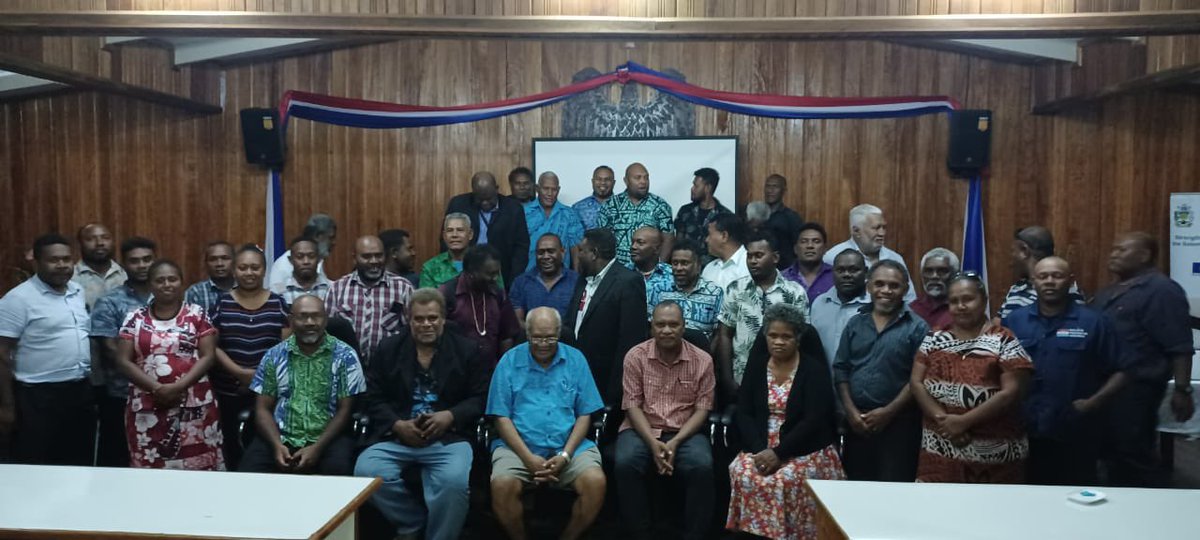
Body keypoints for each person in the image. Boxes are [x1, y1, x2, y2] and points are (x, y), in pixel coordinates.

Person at [355, 288, 487, 540]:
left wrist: (450, 416)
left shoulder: (467, 350)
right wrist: (397, 425)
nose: (426, 324)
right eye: (419, 319)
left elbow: (480, 398)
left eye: (432, 318)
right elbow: (372, 397)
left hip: (449, 436)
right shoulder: (389, 348)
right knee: (365, 471)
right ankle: (412, 523)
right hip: (398, 436)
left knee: (453, 483)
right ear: (408, 318)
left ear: (443, 319)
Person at [487, 307, 607, 540]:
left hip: (570, 444)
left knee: (595, 483)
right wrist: (528, 459)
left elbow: (585, 414)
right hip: (519, 446)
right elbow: (500, 416)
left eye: (551, 337)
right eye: (537, 337)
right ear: (527, 333)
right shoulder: (509, 361)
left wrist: (565, 456)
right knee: (501, 486)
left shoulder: (576, 359)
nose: (544, 343)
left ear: (559, 333)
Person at [1005, 257, 1127, 486]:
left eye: (1057, 276)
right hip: (1024, 428)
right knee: (1026, 496)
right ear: (1033, 282)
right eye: (1043, 276)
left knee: (1077, 496)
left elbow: (1121, 371)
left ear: (1070, 280)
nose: (1049, 282)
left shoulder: (1094, 322)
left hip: (1076, 430)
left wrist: (1094, 402)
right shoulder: (1014, 321)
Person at [727, 304, 843, 540]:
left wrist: (779, 453)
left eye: (786, 336)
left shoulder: (813, 370)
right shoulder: (758, 366)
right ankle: (754, 534)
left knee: (784, 479)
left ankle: (790, 535)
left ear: (798, 339)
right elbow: (744, 412)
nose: (779, 342)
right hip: (760, 442)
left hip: (803, 446)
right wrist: (761, 450)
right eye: (773, 336)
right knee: (741, 471)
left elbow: (814, 420)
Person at [1091, 232, 1194, 487]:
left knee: (1133, 454)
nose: (1113, 254)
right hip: (1104, 386)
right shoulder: (1111, 291)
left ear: (1145, 255)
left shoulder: (1161, 290)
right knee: (1110, 453)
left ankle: (1153, 506)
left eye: (1121, 250)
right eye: (1113, 249)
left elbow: (1179, 345)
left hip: (1137, 388)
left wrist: (1182, 389)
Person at [911, 273, 1033, 483]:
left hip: (994, 458)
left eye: (968, 299)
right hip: (940, 453)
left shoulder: (1004, 339)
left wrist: (963, 422)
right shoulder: (935, 337)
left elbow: (1011, 392)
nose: (961, 306)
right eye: (954, 301)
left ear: (984, 301)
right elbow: (916, 382)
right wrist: (946, 423)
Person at [616, 301, 715, 540]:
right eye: (660, 324)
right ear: (651, 327)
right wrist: (653, 443)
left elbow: (702, 410)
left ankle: (694, 535)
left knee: (702, 465)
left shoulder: (702, 360)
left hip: (685, 431)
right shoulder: (635, 356)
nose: (667, 330)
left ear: (683, 327)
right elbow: (631, 405)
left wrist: (675, 442)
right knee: (625, 463)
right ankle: (640, 533)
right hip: (641, 428)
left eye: (673, 324)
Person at [115, 260, 224, 470]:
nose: (167, 284)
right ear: (151, 285)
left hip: (194, 404)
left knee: (199, 463)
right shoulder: (134, 318)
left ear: (182, 282)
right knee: (150, 465)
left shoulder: (197, 314)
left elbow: (208, 356)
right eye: (160, 280)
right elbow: (122, 360)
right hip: (148, 406)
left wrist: (177, 387)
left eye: (172, 279)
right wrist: (157, 388)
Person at [240, 295, 365, 475]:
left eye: (316, 316)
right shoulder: (274, 356)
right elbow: (262, 408)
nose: (310, 322)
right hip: (280, 436)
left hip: (328, 438)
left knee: (337, 474)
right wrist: (276, 446)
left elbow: (344, 410)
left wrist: (317, 448)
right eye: (302, 316)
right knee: (247, 475)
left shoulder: (346, 356)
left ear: (325, 318)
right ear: (291, 320)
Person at [0, 234, 94, 465]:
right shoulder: (18, 299)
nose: (62, 265)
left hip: (79, 391)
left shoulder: (77, 291)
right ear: (37, 262)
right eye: (54, 260)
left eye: (66, 259)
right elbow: (1, 354)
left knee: (78, 463)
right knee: (37, 465)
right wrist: (7, 406)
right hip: (37, 398)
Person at [833, 260, 928, 482]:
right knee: (857, 488)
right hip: (857, 423)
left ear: (905, 289)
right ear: (869, 286)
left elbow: (919, 378)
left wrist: (887, 413)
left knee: (893, 489)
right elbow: (841, 369)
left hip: (899, 424)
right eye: (880, 284)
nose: (886, 291)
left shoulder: (918, 327)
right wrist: (851, 412)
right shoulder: (855, 323)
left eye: (894, 285)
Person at [210, 245, 292, 469]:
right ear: (234, 270)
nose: (249, 272)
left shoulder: (278, 303)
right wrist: (239, 373)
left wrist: (259, 377)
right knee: (231, 449)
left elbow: (285, 348)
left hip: (269, 393)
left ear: (264, 270)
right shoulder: (222, 303)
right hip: (228, 390)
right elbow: (211, 347)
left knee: (262, 451)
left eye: (255, 267)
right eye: (243, 267)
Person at [714, 231, 809, 399]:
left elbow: (802, 337)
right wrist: (727, 378)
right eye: (749, 256)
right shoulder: (736, 289)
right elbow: (725, 334)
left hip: (784, 380)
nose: (752, 261)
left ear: (775, 257)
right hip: (741, 378)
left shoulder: (794, 292)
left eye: (759, 255)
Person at [89, 236, 157, 467]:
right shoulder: (109, 302)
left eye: (147, 259)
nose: (142, 265)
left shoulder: (171, 297)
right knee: (118, 458)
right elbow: (109, 349)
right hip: (122, 395)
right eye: (135, 261)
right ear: (124, 265)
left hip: (167, 394)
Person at [564, 228, 648, 404]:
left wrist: (617, 390)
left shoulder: (628, 281)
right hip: (576, 374)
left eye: (581, 251)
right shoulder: (583, 279)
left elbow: (630, 341)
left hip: (607, 380)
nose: (577, 255)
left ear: (594, 253)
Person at [327, 236, 414, 364]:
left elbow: (412, 330)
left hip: (390, 369)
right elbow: (326, 333)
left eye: (379, 256)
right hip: (346, 368)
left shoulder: (403, 288)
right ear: (354, 258)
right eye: (366, 257)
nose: (374, 261)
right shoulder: (337, 289)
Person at [444, 171, 530, 288]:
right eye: (480, 199)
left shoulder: (513, 209)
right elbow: (445, 241)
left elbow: (521, 248)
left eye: (489, 199)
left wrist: (514, 281)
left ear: (497, 189)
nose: (485, 203)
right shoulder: (459, 204)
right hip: (463, 272)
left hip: (500, 274)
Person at [440, 245, 521, 367]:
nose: (495, 278)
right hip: (455, 371)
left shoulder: (499, 294)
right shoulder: (447, 293)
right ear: (471, 272)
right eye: (490, 274)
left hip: (490, 371)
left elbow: (507, 335)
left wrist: (503, 367)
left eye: (497, 273)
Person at [823, 204, 916, 302]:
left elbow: (910, 299)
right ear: (856, 231)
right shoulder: (833, 257)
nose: (882, 233)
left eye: (884, 227)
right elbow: (827, 299)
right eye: (876, 228)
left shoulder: (895, 258)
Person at [997, 226, 1085, 320]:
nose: (1011, 259)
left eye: (1013, 251)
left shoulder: (1064, 291)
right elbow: (999, 325)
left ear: (1024, 250)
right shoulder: (1017, 288)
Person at [808, 250, 871, 381]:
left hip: (862, 390)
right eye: (840, 270)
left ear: (866, 272)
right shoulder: (819, 303)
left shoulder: (874, 305)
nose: (846, 275)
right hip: (824, 388)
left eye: (853, 270)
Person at [596, 162, 675, 266]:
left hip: (650, 270)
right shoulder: (610, 205)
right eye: (638, 178)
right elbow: (601, 240)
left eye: (646, 178)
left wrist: (658, 268)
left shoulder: (660, 206)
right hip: (617, 271)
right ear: (626, 181)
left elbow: (668, 239)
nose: (643, 182)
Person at [659, 240, 724, 340]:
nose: (678, 268)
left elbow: (719, 332)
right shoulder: (661, 290)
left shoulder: (715, 293)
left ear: (698, 265)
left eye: (685, 263)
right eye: (675, 263)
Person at [510, 233, 580, 322]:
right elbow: (517, 322)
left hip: (566, 335)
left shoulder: (576, 282)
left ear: (562, 253)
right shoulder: (520, 283)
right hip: (531, 335)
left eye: (551, 251)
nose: (546, 256)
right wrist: (540, 333)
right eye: (541, 252)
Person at [523, 171, 584, 271]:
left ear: (558, 190)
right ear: (537, 188)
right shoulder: (524, 213)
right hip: (529, 276)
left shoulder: (569, 214)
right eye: (546, 189)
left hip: (561, 277)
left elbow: (576, 248)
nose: (550, 193)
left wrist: (576, 278)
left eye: (554, 189)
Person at [673, 167, 732, 264]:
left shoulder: (724, 215)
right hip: (686, 269)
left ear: (707, 188)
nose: (692, 189)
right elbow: (678, 244)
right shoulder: (685, 212)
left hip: (714, 270)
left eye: (696, 186)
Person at [268, 213, 336, 292]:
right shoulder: (283, 264)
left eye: (311, 256)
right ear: (318, 236)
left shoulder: (318, 260)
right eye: (331, 238)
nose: (334, 242)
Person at [72, 223, 127, 310]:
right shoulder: (70, 278)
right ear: (80, 244)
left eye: (105, 238)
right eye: (91, 239)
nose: (99, 243)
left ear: (113, 241)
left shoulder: (126, 274)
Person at [420, 213, 481, 289]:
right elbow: (426, 299)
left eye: (460, 230)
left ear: (470, 234)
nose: (454, 235)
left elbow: (498, 296)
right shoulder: (430, 267)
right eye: (450, 230)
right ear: (444, 236)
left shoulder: (483, 264)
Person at [628, 226, 675, 318]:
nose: (633, 247)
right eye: (632, 242)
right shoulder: (621, 275)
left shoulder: (673, 276)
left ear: (657, 249)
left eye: (640, 243)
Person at [271, 236, 331, 307]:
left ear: (319, 259)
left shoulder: (331, 288)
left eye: (311, 256)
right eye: (299, 256)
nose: (306, 261)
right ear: (291, 260)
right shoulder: (278, 289)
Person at [781, 222, 834, 300]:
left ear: (825, 248)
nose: (810, 246)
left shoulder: (835, 276)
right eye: (804, 241)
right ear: (795, 249)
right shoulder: (783, 278)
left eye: (816, 241)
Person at [909, 247, 959, 330]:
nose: (934, 276)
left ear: (955, 275)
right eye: (928, 271)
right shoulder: (912, 310)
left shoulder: (962, 310)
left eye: (942, 271)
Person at [763, 174, 805, 270]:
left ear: (784, 190)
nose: (770, 190)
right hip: (757, 269)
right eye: (768, 186)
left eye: (775, 187)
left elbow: (799, 246)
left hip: (784, 270)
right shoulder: (754, 213)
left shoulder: (792, 217)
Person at [700, 213, 750, 293]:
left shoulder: (750, 264)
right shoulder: (709, 268)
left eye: (709, 234)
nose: (706, 240)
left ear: (724, 236)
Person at [184, 241, 235, 315]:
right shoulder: (195, 293)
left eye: (225, 258)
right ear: (206, 263)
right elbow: (189, 323)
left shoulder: (245, 289)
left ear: (235, 261)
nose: (219, 264)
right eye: (213, 259)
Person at [572, 165, 616, 230]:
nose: (603, 182)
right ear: (592, 181)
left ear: (614, 182)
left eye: (607, 179)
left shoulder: (624, 207)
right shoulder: (578, 208)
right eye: (599, 179)